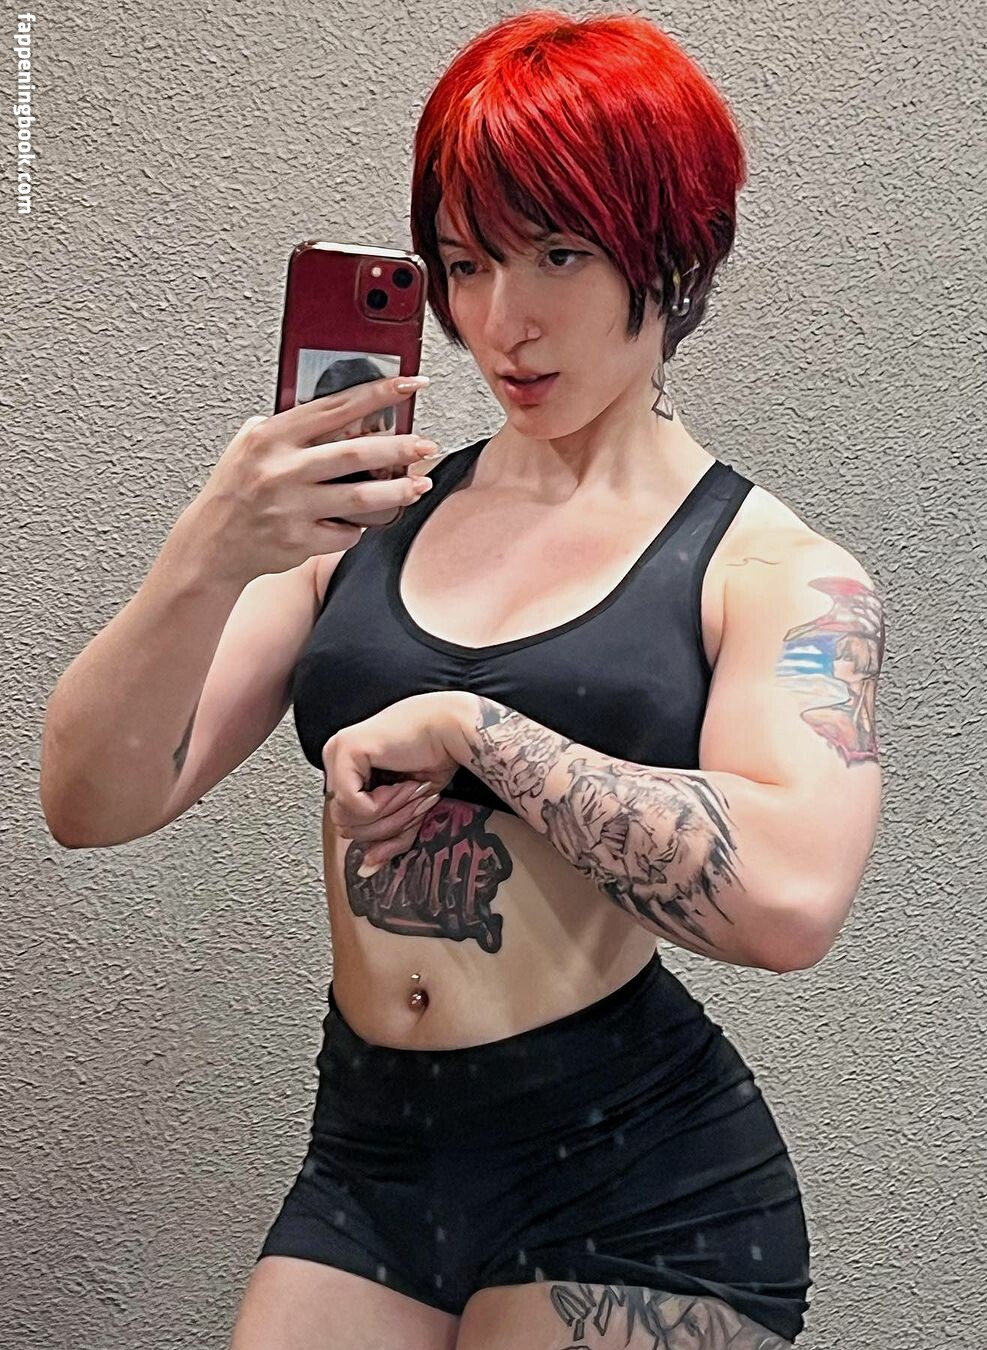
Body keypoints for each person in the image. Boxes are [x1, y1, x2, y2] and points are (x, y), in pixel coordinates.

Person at [40, 11, 884, 1348]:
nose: (504, 320)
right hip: (371, 1154)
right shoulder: (372, 515)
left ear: (670, 249)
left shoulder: (772, 568)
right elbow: (89, 802)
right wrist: (210, 550)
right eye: (466, 263)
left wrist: (479, 731)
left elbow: (789, 900)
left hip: (638, 1183)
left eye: (558, 254)